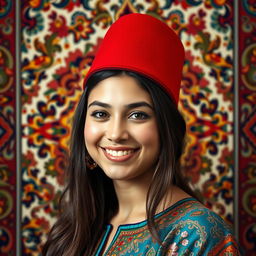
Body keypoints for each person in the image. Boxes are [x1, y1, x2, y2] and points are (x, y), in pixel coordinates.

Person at [42, 13, 240, 255]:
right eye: (101, 114)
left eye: (137, 115)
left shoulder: (198, 234)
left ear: (166, 127)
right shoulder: (76, 225)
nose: (115, 134)